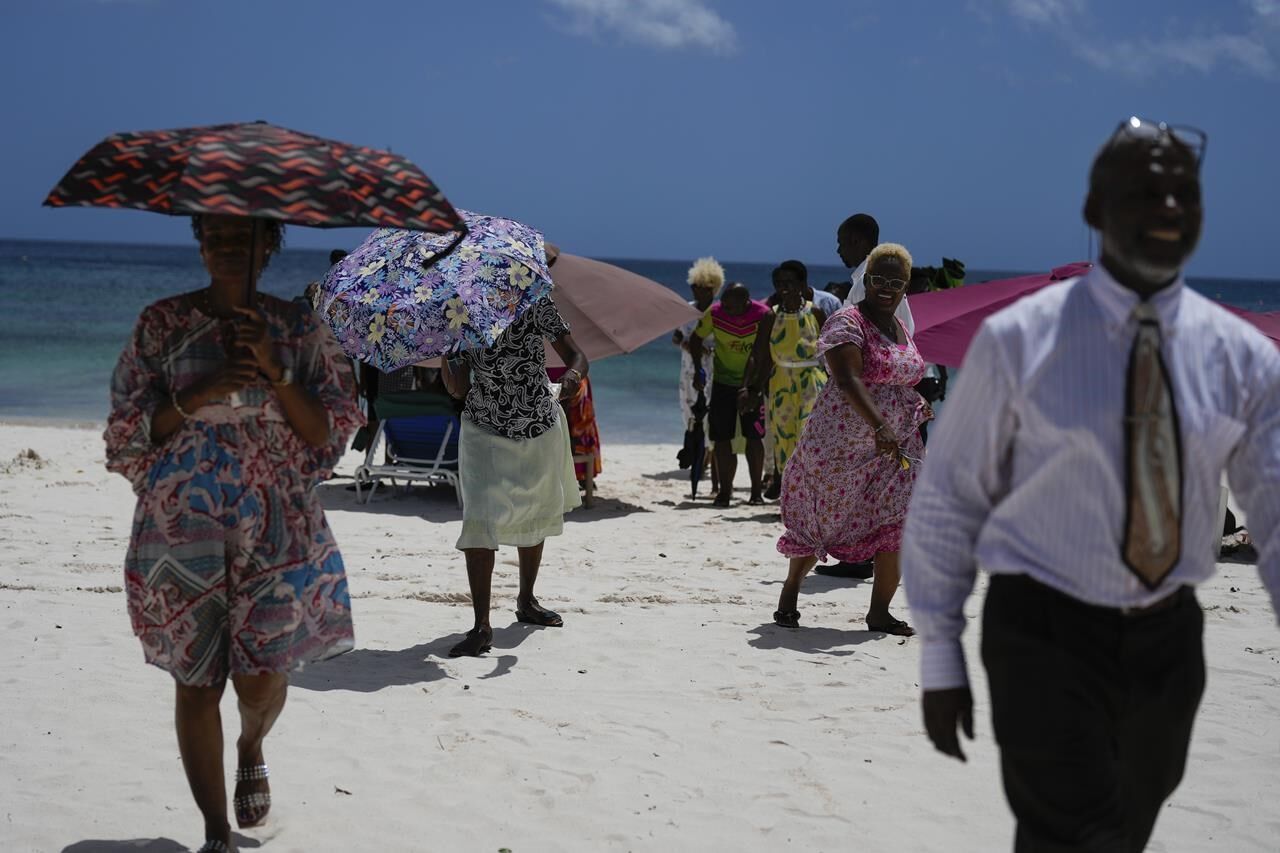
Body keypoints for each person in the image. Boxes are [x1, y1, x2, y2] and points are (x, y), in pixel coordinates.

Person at [902, 119, 1280, 852]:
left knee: (1120, 830)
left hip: (1169, 641)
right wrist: (940, 650)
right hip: (1042, 629)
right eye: (1144, 191)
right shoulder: (1020, 340)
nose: (1167, 205)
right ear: (1094, 211)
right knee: (1072, 832)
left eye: (1183, 192)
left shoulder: (1239, 357)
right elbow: (949, 495)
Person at [104, 214, 362, 853]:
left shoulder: (300, 327)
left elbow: (326, 432)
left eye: (242, 237)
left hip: (275, 522)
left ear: (268, 245)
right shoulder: (160, 323)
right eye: (214, 234)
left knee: (262, 674)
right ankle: (216, 832)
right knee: (195, 679)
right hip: (180, 523)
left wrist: (276, 369)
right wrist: (202, 392)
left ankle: (251, 741)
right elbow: (128, 430)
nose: (225, 246)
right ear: (198, 241)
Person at [772, 244, 930, 634]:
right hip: (840, 446)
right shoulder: (847, 321)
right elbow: (847, 379)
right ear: (866, 280)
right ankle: (791, 589)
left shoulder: (901, 328)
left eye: (896, 281)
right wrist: (879, 426)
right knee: (822, 520)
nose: (887, 287)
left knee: (897, 522)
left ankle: (879, 612)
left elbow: (905, 379)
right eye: (879, 279)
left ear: (906, 285)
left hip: (896, 448)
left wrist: (905, 427)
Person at [440, 286, 589, 658]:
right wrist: (447, 353)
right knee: (478, 519)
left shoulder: (536, 300)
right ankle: (481, 626)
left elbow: (577, 355)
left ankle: (526, 601)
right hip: (483, 427)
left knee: (534, 509)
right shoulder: (459, 310)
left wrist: (572, 375)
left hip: (537, 422)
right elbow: (457, 389)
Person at [689, 282, 772, 506]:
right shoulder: (715, 313)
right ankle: (725, 492)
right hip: (722, 382)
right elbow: (695, 339)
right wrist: (698, 369)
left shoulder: (763, 315)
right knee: (721, 437)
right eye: (724, 304)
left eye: (732, 307)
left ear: (747, 302)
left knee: (754, 437)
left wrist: (754, 387)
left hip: (753, 385)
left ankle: (755, 493)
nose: (726, 309)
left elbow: (764, 353)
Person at [751, 261, 828, 501]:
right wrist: (750, 388)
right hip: (781, 382)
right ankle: (790, 499)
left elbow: (830, 352)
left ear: (802, 285)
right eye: (779, 284)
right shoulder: (771, 317)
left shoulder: (815, 312)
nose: (784, 288)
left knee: (808, 437)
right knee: (783, 439)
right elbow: (759, 355)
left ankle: (811, 499)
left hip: (812, 382)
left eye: (789, 283)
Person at [838, 213, 915, 336]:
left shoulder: (868, 283)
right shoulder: (869, 280)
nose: (838, 250)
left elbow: (864, 337)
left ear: (855, 241)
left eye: (841, 243)